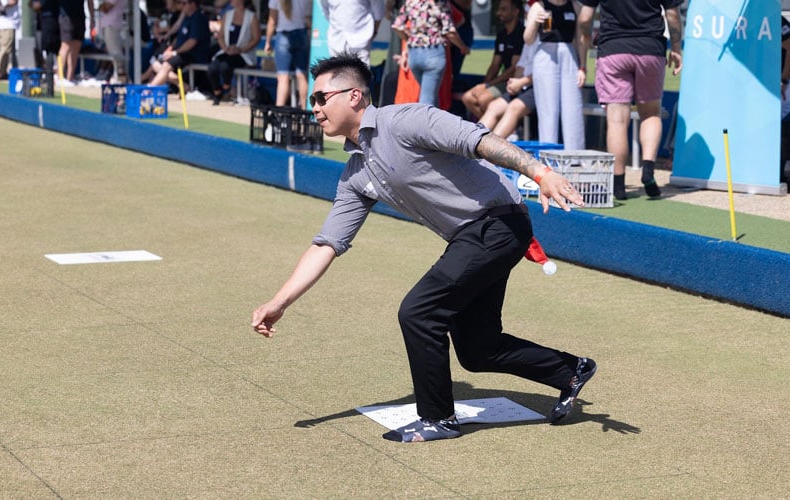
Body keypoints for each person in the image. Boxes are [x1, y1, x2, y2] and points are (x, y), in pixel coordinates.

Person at [251, 54, 597, 443]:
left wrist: (540, 172)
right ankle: (569, 370)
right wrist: (279, 302)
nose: (313, 107)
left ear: (353, 96)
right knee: (477, 348)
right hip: (474, 236)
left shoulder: (406, 120)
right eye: (312, 100)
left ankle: (438, 418)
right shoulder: (355, 175)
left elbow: (479, 140)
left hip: (498, 223)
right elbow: (327, 244)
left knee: (420, 311)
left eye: (320, 97)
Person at [577, 0, 682, 200]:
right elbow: (674, 16)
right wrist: (676, 47)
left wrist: (586, 35)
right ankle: (648, 170)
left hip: (613, 49)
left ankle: (618, 185)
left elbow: (584, 18)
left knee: (617, 120)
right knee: (651, 114)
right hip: (650, 49)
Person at [524, 0, 585, 149]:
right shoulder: (539, 6)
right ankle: (548, 155)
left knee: (573, 108)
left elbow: (580, 39)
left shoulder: (576, 6)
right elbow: (528, 39)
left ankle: (575, 156)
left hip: (569, 54)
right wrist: (534, 23)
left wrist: (582, 66)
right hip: (545, 54)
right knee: (548, 110)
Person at [391, 0, 469, 106]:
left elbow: (397, 26)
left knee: (430, 94)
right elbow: (450, 32)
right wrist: (462, 46)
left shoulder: (411, 2)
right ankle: (425, 122)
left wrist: (410, 40)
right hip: (434, 52)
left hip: (414, 55)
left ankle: (433, 121)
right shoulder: (441, 3)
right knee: (428, 99)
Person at [461, 0, 523, 120]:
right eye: (499, 9)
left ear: (515, 12)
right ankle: (495, 131)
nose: (498, 13)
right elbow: (495, 66)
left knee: (484, 99)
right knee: (467, 97)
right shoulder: (501, 35)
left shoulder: (521, 34)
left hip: (517, 82)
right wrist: (483, 85)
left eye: (503, 9)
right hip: (503, 81)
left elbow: (513, 70)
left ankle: (505, 129)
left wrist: (488, 85)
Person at [147, 0, 210, 88]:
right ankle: (184, 86)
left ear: (193, 4)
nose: (181, 6)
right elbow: (179, 37)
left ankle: (150, 89)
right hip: (181, 52)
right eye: (180, 3)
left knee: (166, 65)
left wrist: (175, 52)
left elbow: (192, 42)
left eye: (184, 3)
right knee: (156, 63)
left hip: (193, 54)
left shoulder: (198, 19)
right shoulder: (186, 18)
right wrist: (171, 48)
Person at [206, 0, 258, 104]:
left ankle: (227, 89)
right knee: (212, 68)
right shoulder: (227, 15)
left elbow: (256, 38)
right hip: (227, 51)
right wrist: (225, 48)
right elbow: (221, 36)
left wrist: (241, 49)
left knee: (225, 67)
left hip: (243, 54)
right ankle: (218, 92)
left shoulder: (251, 17)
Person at [264, 0, 311, 108]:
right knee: (302, 75)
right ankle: (305, 110)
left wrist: (268, 41)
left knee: (283, 77)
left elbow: (272, 21)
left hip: (283, 35)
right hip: (301, 34)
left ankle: (279, 111)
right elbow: (307, 17)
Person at [318, 0, 384, 67]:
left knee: (361, 73)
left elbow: (378, 10)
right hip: (336, 39)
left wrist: (374, 31)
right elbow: (325, 10)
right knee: (336, 72)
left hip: (361, 37)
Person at [56, 0, 93, 85]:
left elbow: (90, 1)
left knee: (76, 46)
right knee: (66, 45)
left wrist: (92, 18)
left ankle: (70, 78)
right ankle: (59, 78)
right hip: (66, 16)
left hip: (80, 16)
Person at [98, 0, 128, 82]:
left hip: (111, 25)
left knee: (115, 53)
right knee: (113, 53)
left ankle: (121, 78)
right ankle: (118, 77)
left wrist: (101, 6)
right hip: (111, 25)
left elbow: (105, 8)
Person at [0, 0, 19, 79]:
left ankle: (3, 72)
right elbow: (12, 1)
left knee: (8, 50)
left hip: (11, 23)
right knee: (5, 48)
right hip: (6, 23)